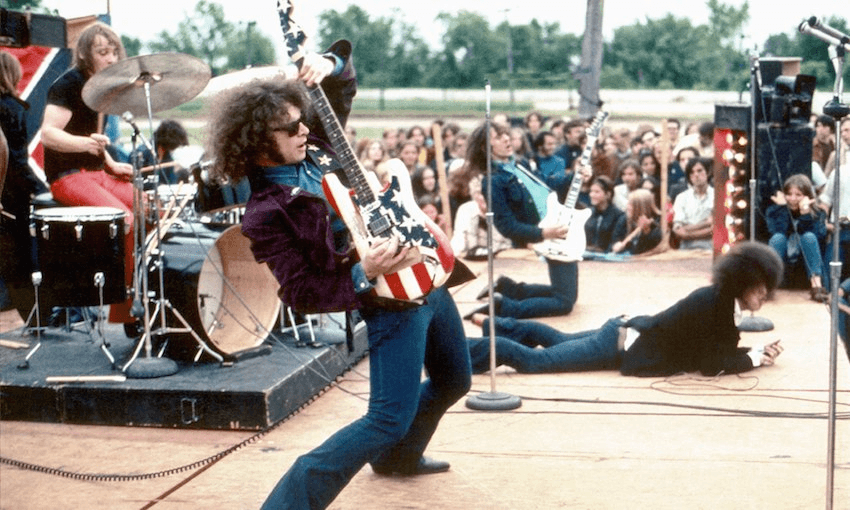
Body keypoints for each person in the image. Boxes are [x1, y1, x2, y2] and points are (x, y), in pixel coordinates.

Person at [206, 39, 472, 510]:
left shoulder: (323, 148)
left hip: (428, 274)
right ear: (258, 142)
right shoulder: (267, 214)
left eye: (302, 117)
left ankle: (397, 459)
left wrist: (324, 62)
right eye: (291, 126)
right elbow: (301, 292)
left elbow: (343, 81)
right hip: (389, 300)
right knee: (387, 418)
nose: (304, 128)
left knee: (455, 380)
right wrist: (363, 273)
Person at [468, 241, 784, 376]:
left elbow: (719, 350)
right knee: (538, 361)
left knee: (555, 339)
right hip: (618, 343)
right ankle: (462, 353)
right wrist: (754, 358)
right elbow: (711, 363)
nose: (764, 295)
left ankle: (490, 321)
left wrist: (755, 352)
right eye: (760, 288)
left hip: (620, 333)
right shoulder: (713, 304)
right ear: (743, 280)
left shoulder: (719, 301)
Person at [38, 22, 137, 327]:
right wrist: (86, 145)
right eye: (102, 52)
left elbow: (94, 138)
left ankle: (128, 310)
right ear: (85, 54)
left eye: (113, 52)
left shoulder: (102, 87)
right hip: (67, 176)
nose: (110, 58)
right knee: (124, 219)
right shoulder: (67, 85)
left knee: (150, 208)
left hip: (96, 172)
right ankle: (120, 304)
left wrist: (110, 163)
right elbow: (48, 134)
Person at [470, 121, 578, 319]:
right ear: (486, 147)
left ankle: (508, 289)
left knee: (565, 295)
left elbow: (547, 184)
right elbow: (505, 225)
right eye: (498, 136)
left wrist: (575, 176)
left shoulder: (521, 164)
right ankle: (505, 308)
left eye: (505, 133)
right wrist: (544, 234)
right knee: (564, 302)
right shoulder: (493, 181)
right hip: (545, 234)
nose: (506, 138)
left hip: (553, 229)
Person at [0, 51, 49, 317]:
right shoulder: (13, 108)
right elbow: (16, 160)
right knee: (18, 257)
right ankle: (34, 317)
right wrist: (40, 190)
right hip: (10, 194)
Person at [766, 174, 828, 302]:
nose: (793, 199)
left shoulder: (818, 213)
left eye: (798, 195)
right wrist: (783, 209)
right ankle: (767, 285)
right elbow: (777, 231)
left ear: (807, 196)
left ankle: (816, 287)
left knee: (809, 236)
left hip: (806, 268)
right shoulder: (774, 211)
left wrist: (805, 213)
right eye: (789, 194)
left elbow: (819, 238)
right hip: (784, 265)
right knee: (778, 238)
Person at [450, 177, 511, 260]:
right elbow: (458, 238)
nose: (483, 198)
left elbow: (509, 244)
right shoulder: (465, 209)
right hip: (473, 261)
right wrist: (453, 253)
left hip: (500, 260)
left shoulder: (504, 210)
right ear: (474, 195)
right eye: (479, 193)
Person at [129, 119, 189, 184]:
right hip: (144, 190)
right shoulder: (142, 153)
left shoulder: (167, 156)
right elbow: (134, 180)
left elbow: (170, 180)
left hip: (161, 190)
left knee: (184, 174)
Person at [672, 157, 714, 250]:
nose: (696, 175)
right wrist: (705, 223)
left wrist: (687, 230)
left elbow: (715, 229)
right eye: (692, 172)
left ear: (708, 172)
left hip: (710, 247)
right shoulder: (681, 198)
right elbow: (678, 230)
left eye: (699, 171)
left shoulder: (716, 196)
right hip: (686, 248)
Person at [612, 188, 662, 255]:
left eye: (631, 205)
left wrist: (646, 232)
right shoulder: (624, 219)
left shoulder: (657, 225)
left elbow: (646, 251)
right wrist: (616, 245)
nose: (627, 207)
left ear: (640, 207)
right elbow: (615, 239)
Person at [585, 175, 626, 253]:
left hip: (606, 257)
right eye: (591, 191)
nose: (592, 195)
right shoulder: (588, 212)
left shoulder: (619, 215)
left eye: (597, 192)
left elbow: (615, 241)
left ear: (608, 194)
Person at [533, 131, 568, 198]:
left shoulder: (559, 161)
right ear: (540, 146)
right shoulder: (532, 160)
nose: (553, 147)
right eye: (549, 144)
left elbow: (556, 182)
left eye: (554, 144)